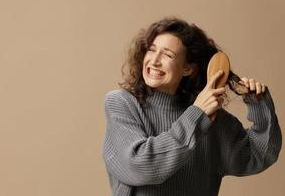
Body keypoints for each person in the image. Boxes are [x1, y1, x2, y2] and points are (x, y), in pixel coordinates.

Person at [102, 17, 282, 196]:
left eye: (167, 55)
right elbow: (140, 167)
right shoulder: (122, 103)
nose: (154, 61)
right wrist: (198, 114)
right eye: (151, 50)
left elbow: (259, 156)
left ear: (188, 68)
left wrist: (259, 104)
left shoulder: (210, 118)